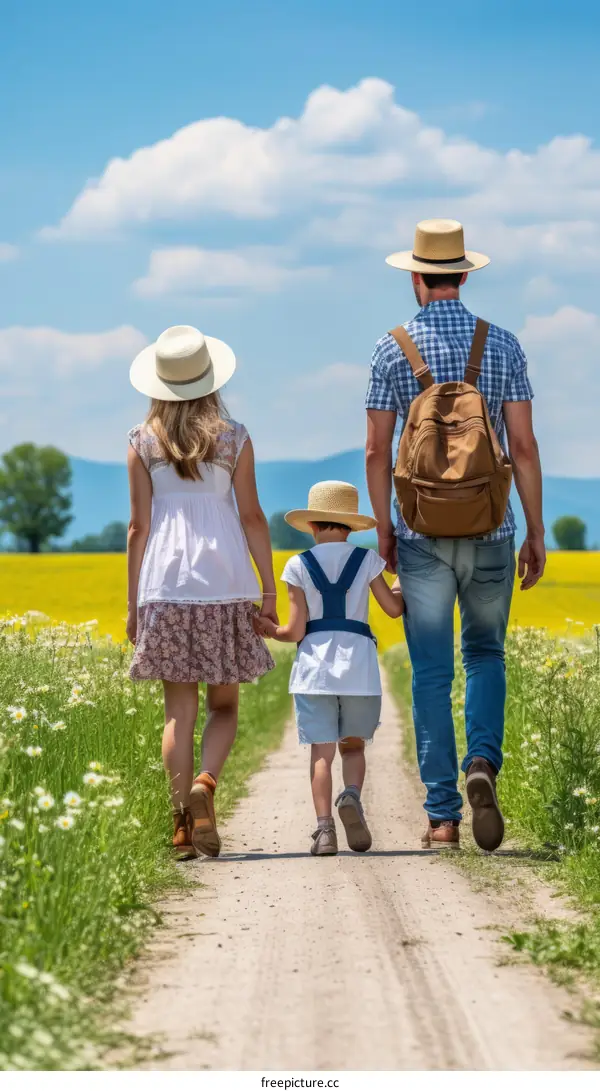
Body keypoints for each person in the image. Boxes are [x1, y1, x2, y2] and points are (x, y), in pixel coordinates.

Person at [365, 219, 545, 852]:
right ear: (465, 275)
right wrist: (536, 530)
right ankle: (481, 767)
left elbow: (376, 451)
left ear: (416, 277)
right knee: (487, 655)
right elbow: (520, 446)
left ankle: (442, 818)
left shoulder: (391, 349)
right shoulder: (502, 345)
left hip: (419, 536)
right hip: (494, 526)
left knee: (432, 673)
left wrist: (384, 531)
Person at [126, 325, 277, 860]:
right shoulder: (235, 438)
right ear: (211, 380)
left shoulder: (141, 442)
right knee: (225, 705)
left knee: (177, 711)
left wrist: (133, 608)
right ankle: (205, 786)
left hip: (164, 586)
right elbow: (254, 517)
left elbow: (138, 529)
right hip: (227, 582)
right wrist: (269, 593)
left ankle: (180, 830)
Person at [256, 481, 404, 856]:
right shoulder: (368, 560)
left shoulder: (297, 564)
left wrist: (269, 629)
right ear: (351, 526)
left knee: (321, 754)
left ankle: (324, 831)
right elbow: (393, 609)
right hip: (359, 670)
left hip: (314, 672)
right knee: (353, 749)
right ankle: (351, 795)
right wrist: (402, 584)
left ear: (312, 526)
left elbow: (295, 631)